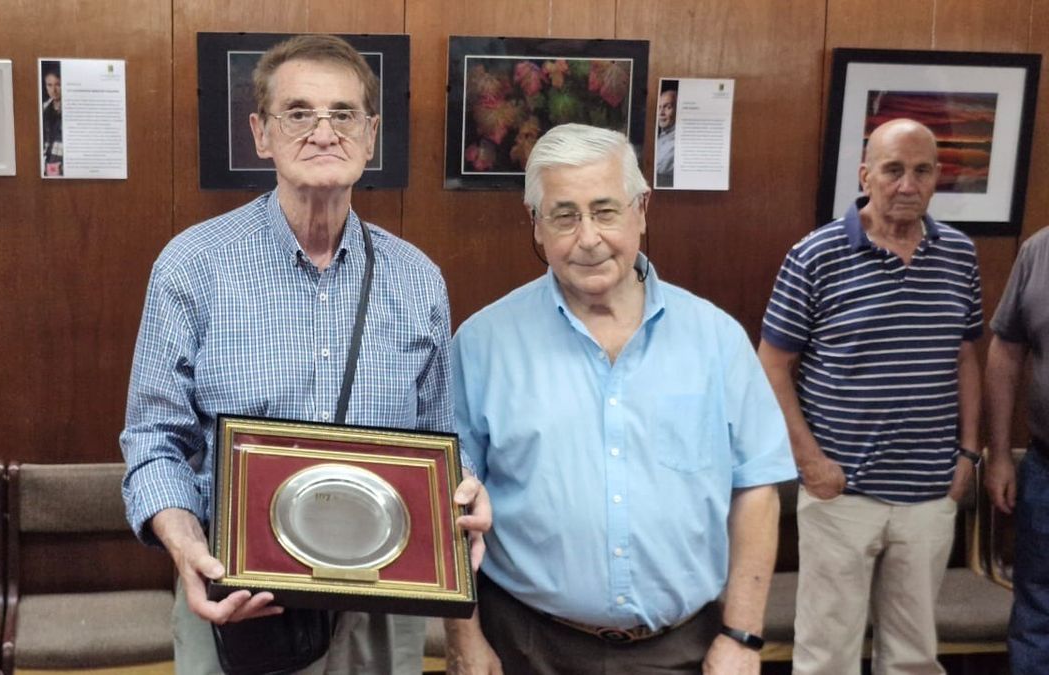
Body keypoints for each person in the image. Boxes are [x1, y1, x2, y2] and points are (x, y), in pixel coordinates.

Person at [120, 34, 489, 675]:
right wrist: (186, 551)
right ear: (262, 133)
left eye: (343, 114)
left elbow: (440, 442)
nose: (324, 132)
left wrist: (464, 500)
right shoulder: (193, 266)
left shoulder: (417, 278)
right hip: (240, 595)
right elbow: (153, 440)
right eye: (299, 113)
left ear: (370, 136)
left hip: (382, 599)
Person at [447, 123, 796, 674]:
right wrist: (465, 640)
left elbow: (756, 488)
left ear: (641, 210)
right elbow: (452, 505)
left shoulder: (716, 339)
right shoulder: (482, 344)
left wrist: (743, 635)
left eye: (605, 211)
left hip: (686, 649)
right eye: (564, 215)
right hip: (526, 646)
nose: (588, 237)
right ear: (536, 226)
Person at [758, 118, 983, 675]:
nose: (908, 185)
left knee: (913, 656)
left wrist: (968, 454)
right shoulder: (816, 255)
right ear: (866, 175)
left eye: (922, 171)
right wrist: (810, 462)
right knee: (827, 655)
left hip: (930, 493)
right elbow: (771, 365)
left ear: (936, 179)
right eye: (893, 170)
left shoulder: (958, 255)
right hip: (842, 493)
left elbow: (966, 357)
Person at [983, 226, 1049, 673]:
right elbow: (1006, 352)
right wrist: (1001, 453)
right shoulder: (1040, 250)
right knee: (1037, 611)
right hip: (1045, 467)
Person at [41, 64, 63, 176]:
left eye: (58, 84)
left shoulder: (74, 108)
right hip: (47, 168)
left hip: (64, 168)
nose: (53, 90)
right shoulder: (43, 109)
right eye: (49, 85)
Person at [654, 83, 676, 188]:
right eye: (659, 107)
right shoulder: (661, 136)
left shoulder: (676, 144)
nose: (661, 113)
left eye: (668, 107)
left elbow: (658, 168)